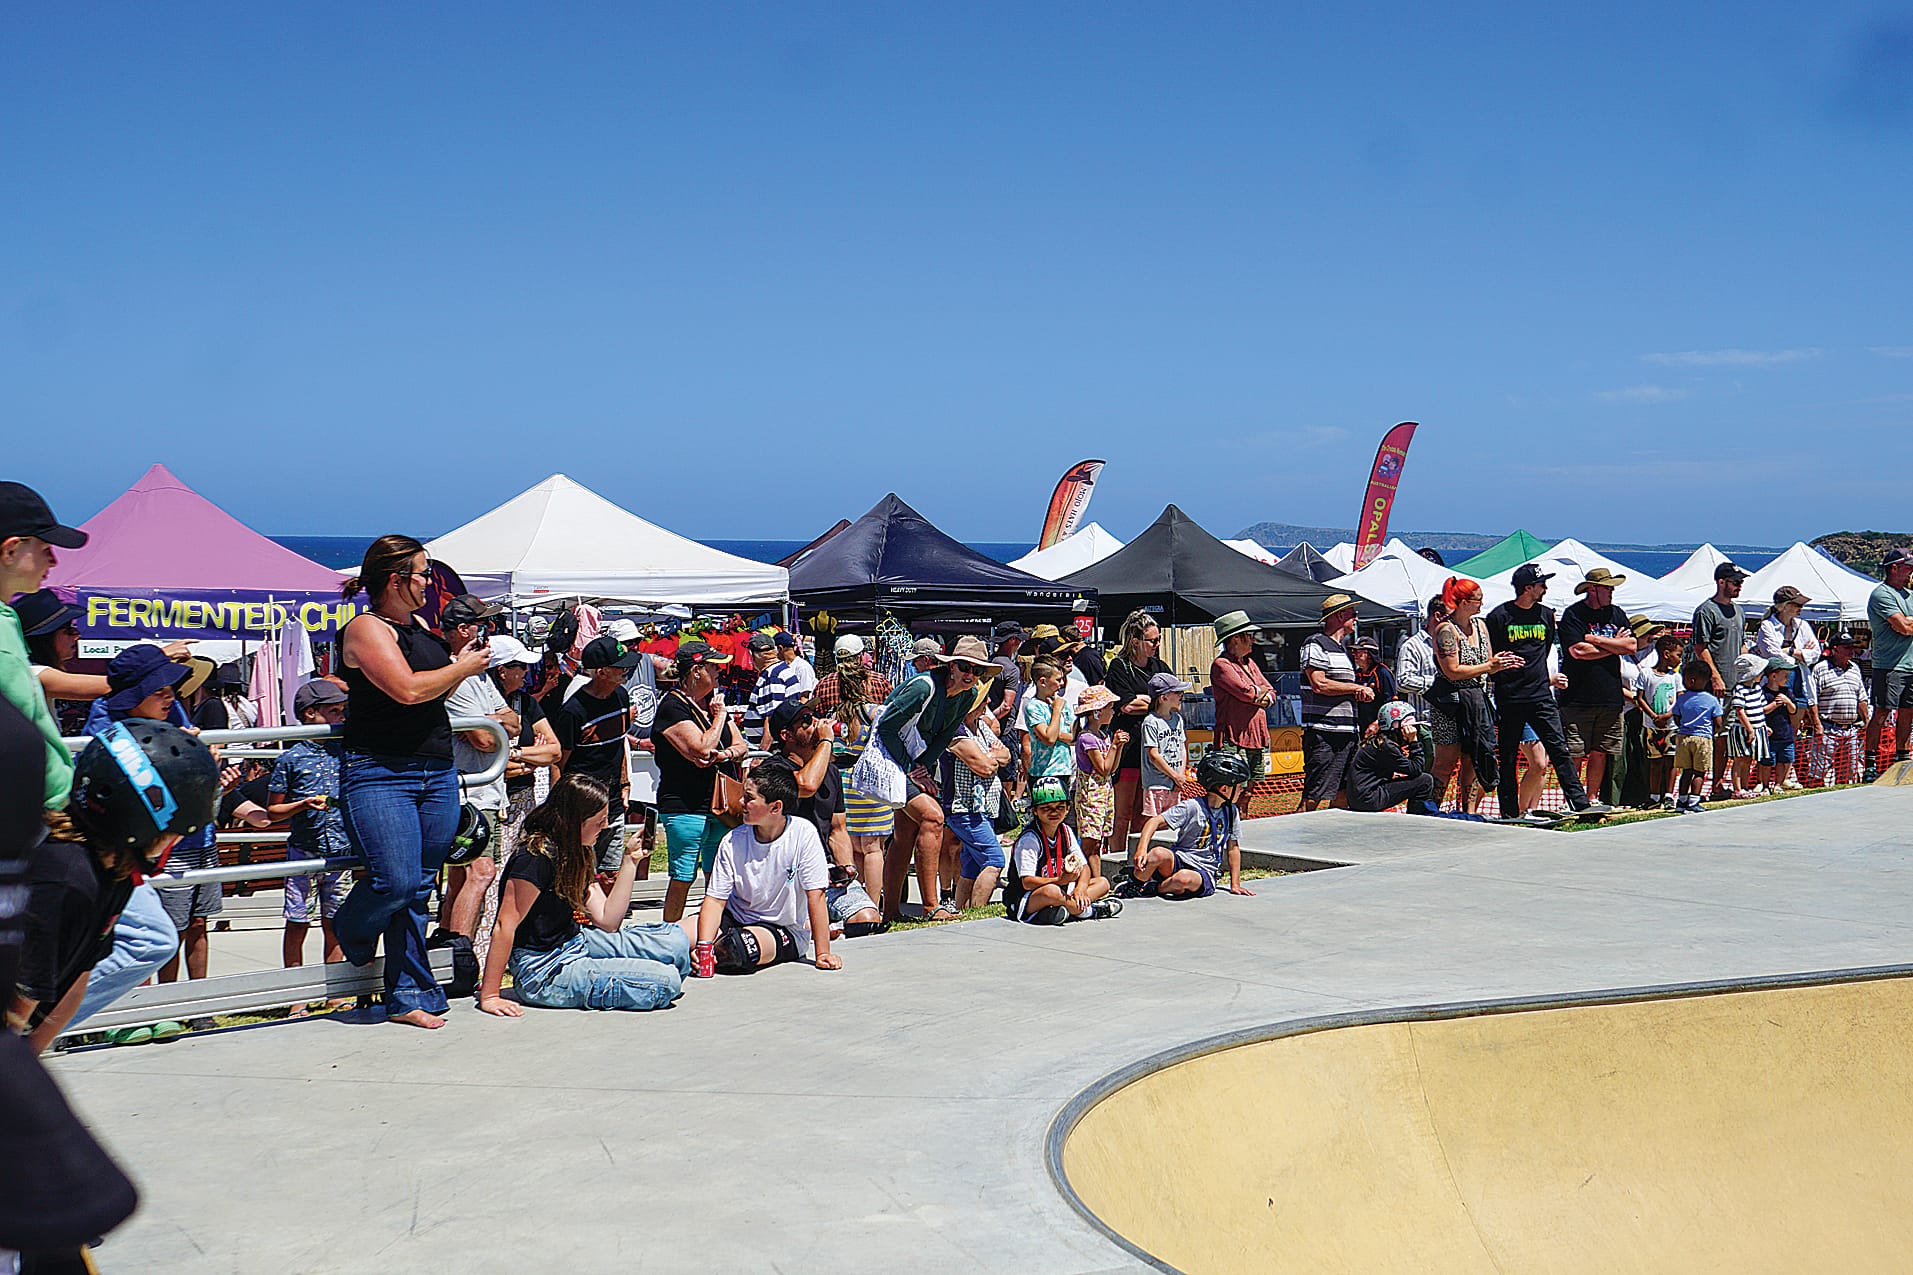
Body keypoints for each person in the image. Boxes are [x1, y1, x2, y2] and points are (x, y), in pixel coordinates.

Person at [334, 534, 490, 1030]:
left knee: (418, 888)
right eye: (424, 573)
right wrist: (461, 666)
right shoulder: (365, 628)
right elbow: (406, 690)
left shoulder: (420, 627)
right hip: (380, 771)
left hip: (435, 768)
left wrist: (460, 664)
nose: (430, 583)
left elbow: (431, 689)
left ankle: (409, 994)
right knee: (396, 882)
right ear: (397, 579)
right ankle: (352, 929)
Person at [11, 720, 218, 1053]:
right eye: (176, 831)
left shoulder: (114, 873)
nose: (176, 840)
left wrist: (30, 1056)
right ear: (143, 822)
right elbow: (20, 999)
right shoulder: (65, 881)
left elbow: (80, 975)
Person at [477, 773, 692, 1015]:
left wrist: (630, 861)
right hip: (543, 969)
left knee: (675, 944)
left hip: (575, 942)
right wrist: (490, 996)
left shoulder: (577, 850)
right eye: (599, 821)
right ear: (575, 821)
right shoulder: (535, 858)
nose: (605, 826)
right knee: (666, 981)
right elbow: (504, 926)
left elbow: (608, 920)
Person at [849, 635, 994, 924]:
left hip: (912, 762)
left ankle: (891, 911)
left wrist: (922, 769)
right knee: (933, 818)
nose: (970, 674)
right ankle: (931, 905)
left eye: (977, 670)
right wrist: (911, 768)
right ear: (951, 666)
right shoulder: (923, 686)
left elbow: (944, 736)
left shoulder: (966, 696)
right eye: (965, 667)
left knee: (905, 834)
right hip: (890, 759)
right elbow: (886, 728)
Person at [692, 760, 841, 975]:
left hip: (782, 930)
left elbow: (815, 896)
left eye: (749, 798)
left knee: (738, 949)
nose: (741, 801)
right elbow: (715, 900)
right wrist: (703, 947)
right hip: (733, 917)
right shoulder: (732, 840)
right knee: (675, 939)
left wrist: (823, 953)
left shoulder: (803, 834)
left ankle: (712, 952)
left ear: (775, 807)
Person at [1486, 564, 1607, 822]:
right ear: (1528, 587)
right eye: (1541, 584)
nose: (1546, 588)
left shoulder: (1545, 615)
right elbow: (1492, 656)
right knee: (1507, 757)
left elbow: (1546, 648)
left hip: (1541, 694)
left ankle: (1580, 803)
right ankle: (1509, 811)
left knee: (1559, 749)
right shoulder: (1499, 616)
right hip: (1510, 697)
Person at [474, 634, 562, 966]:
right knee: (489, 876)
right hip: (491, 801)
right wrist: (527, 759)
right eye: (520, 667)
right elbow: (489, 758)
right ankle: (482, 954)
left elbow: (553, 750)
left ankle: (510, 948)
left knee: (516, 874)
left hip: (523, 800)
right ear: (502, 670)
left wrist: (515, 754)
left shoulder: (526, 703)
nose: (527, 673)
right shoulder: (481, 702)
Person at [0, 481, 87, 811]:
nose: (53, 560)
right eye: (45, 547)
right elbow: (21, 732)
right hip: (35, 812)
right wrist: (62, 802)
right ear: (10, 551)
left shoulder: (7, 620)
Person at [767, 699, 883, 937]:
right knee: (804, 928)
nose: (816, 722)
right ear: (787, 735)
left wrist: (846, 869)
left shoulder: (831, 772)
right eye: (806, 720)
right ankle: (817, 928)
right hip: (784, 876)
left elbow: (837, 830)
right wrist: (826, 741)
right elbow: (806, 785)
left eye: (814, 715)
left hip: (823, 872)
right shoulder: (774, 769)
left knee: (867, 918)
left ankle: (826, 926)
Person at [440, 593, 518, 939]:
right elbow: (486, 739)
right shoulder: (454, 675)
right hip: (470, 794)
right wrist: (495, 722)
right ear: (463, 630)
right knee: (481, 872)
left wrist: (493, 721)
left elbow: (514, 723)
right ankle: (460, 951)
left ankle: (448, 943)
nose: (490, 631)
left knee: (461, 875)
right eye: (484, 624)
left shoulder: (480, 676)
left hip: (485, 791)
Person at [652, 640, 748, 923]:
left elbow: (741, 746)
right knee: (683, 876)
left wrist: (724, 755)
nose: (720, 672)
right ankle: (669, 932)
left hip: (720, 806)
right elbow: (702, 749)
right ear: (696, 671)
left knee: (718, 876)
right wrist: (719, 718)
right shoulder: (673, 706)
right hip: (685, 805)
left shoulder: (711, 703)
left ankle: (712, 931)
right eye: (713, 667)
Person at [264, 679, 351, 981]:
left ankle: (335, 989)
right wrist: (302, 805)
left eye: (342, 710)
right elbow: (273, 811)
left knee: (336, 921)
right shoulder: (291, 758)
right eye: (334, 711)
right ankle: (296, 991)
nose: (342, 717)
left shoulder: (344, 751)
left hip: (340, 851)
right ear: (310, 713)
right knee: (298, 921)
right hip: (303, 851)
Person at [551, 634, 641, 884]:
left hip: (613, 800)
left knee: (611, 874)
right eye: (619, 667)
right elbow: (559, 763)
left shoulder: (621, 696)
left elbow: (619, 743)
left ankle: (606, 911)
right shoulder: (573, 711)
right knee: (580, 874)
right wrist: (559, 807)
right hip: (583, 805)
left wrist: (625, 784)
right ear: (601, 672)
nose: (626, 671)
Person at [1125, 751, 1256, 900]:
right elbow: (1154, 821)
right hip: (1179, 859)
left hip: (1204, 871)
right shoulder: (1192, 807)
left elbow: (1233, 848)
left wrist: (1235, 884)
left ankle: (1154, 888)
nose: (1242, 790)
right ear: (1224, 789)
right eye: (1239, 786)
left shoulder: (1231, 812)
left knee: (1183, 878)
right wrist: (1141, 850)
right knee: (1157, 853)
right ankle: (1132, 885)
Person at [1557, 567, 1638, 802]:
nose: (1611, 593)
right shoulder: (1574, 615)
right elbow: (1578, 651)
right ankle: (1573, 800)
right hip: (1577, 697)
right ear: (1592, 590)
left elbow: (1631, 646)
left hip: (1610, 697)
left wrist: (1596, 640)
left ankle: (1592, 798)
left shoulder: (1617, 613)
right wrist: (1614, 645)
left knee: (1601, 752)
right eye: (1607, 588)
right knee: (1575, 752)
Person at [1429, 578, 1506, 816]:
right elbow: (1452, 670)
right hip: (1450, 703)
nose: (1482, 604)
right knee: (1446, 760)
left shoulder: (1481, 626)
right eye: (1477, 600)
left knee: (1474, 757)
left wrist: (1496, 664)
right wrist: (1488, 667)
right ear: (1463, 603)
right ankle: (1430, 809)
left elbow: (1489, 662)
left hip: (1476, 700)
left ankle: (1469, 811)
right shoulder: (1445, 630)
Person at [1003, 777, 1119, 924]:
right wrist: (1059, 880)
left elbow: (1084, 867)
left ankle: (1059, 911)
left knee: (1102, 883)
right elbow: (1027, 882)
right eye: (1046, 808)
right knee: (1051, 891)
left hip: (1062, 889)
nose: (1054, 812)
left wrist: (1081, 889)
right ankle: (1088, 911)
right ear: (1035, 811)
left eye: (1060, 807)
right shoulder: (1030, 839)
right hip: (1028, 897)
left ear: (1068, 808)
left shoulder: (1066, 831)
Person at [1104, 610, 1171, 856]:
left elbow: (1173, 700)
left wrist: (1145, 700)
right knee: (1122, 813)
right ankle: (1116, 858)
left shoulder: (1160, 667)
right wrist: (1156, 703)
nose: (1157, 644)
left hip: (1153, 749)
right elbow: (1127, 706)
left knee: (1144, 813)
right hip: (1129, 748)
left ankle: (1137, 859)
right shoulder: (1120, 667)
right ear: (1135, 641)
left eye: (1159, 639)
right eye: (1152, 640)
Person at [1300, 595, 1370, 811]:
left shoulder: (1342, 649)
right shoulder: (1315, 643)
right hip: (1325, 733)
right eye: (1353, 614)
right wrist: (1356, 688)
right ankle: (1299, 830)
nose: (1356, 619)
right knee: (1314, 795)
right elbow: (1319, 683)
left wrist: (1356, 692)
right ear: (1340, 616)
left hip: (1347, 733)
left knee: (1343, 794)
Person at [946, 691, 1011, 911]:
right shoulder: (955, 730)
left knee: (972, 865)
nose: (989, 701)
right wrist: (992, 757)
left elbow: (1006, 755)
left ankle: (963, 910)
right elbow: (985, 768)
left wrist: (990, 757)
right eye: (984, 698)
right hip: (964, 809)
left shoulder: (981, 727)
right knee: (995, 859)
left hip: (986, 808)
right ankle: (978, 910)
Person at [1692, 561, 1750, 797]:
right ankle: (1696, 787)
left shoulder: (1739, 612)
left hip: (1735, 685)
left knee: (1725, 738)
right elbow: (1700, 647)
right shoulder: (1706, 611)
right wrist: (1715, 677)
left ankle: (1717, 785)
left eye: (1741, 582)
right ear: (1721, 582)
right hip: (1712, 686)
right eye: (1736, 582)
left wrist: (1747, 671)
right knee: (1707, 736)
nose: (1739, 586)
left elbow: (1742, 644)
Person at [1863, 547, 1913, 780]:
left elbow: (1906, 625)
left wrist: (1907, 621)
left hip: (1909, 665)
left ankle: (1902, 760)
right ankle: (1870, 764)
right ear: (1894, 568)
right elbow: (1903, 628)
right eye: (1908, 567)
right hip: (1889, 665)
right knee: (1882, 713)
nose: (1911, 571)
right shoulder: (1881, 595)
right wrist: (1905, 623)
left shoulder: (1909, 595)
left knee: (1908, 713)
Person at [1209, 610, 1274, 786]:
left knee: (1251, 788)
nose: (1253, 640)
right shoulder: (1221, 665)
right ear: (1236, 638)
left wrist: (1258, 694)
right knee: (1233, 788)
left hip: (1256, 737)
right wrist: (1258, 693)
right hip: (1233, 738)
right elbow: (1246, 693)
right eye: (1249, 635)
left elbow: (1272, 693)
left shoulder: (1250, 663)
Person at [1348, 702, 1439, 814]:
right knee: (1425, 781)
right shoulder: (1387, 747)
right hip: (1369, 798)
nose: (1413, 731)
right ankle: (1416, 817)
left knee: (1423, 779)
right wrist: (1414, 741)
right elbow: (1416, 769)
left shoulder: (1379, 742)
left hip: (1361, 797)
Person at [1806, 630, 1871, 786]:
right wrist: (1817, 724)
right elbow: (1812, 700)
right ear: (1835, 649)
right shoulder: (1821, 669)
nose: (1851, 650)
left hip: (1851, 731)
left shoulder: (1855, 668)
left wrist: (1867, 721)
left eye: (1852, 647)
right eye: (1847, 647)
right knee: (1818, 774)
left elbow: (1861, 698)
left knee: (1848, 776)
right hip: (1827, 729)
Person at [1071, 685, 1122, 875]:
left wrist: (1118, 747)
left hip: (1103, 794)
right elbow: (1103, 768)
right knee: (1090, 842)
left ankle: (1096, 879)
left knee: (1098, 841)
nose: (1113, 712)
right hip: (1091, 796)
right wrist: (1115, 746)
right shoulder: (1087, 738)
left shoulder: (1102, 736)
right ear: (1097, 712)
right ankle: (1091, 878)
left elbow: (1111, 769)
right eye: (1110, 708)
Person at [1392, 600, 1448, 768]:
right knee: (1429, 772)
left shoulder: (1452, 643)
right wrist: (1438, 684)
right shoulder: (1413, 646)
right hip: (1426, 723)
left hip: (1451, 722)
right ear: (1437, 616)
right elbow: (1402, 681)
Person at [1638, 632, 1687, 810]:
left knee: (1671, 761)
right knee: (1655, 762)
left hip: (1671, 726)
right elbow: (1640, 698)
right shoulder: (1646, 674)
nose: (1679, 659)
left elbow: (1680, 699)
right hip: (1651, 726)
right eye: (1678, 655)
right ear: (1666, 654)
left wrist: (1667, 716)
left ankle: (1668, 795)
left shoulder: (1675, 677)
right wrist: (1654, 716)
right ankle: (1654, 796)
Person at [1019, 655, 1077, 796]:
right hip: (1044, 773)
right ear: (1042, 682)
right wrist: (1056, 711)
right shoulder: (1034, 707)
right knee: (1048, 810)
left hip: (1064, 770)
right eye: (1058, 680)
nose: (1061, 683)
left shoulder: (1062, 704)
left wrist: (1054, 733)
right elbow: (1049, 739)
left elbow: (1075, 738)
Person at [1671, 660, 1724, 812]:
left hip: (1683, 737)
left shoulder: (1682, 699)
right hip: (1703, 738)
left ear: (1691, 680)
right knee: (1699, 772)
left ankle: (1681, 801)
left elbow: (1676, 717)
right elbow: (1718, 721)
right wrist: (1712, 732)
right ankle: (1694, 801)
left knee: (1686, 771)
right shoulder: (1711, 700)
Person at [1139, 672, 1193, 817]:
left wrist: (1180, 776)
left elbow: (1182, 748)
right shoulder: (1151, 722)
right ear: (1163, 698)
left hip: (1175, 783)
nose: (1181, 695)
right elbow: (1154, 755)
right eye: (1177, 692)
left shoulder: (1178, 719)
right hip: (1156, 784)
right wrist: (1174, 776)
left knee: (1173, 822)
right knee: (1155, 821)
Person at [1759, 655, 1800, 793]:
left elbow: (1793, 710)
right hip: (1770, 735)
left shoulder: (1787, 691)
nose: (1787, 678)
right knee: (1768, 762)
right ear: (1773, 676)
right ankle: (1765, 785)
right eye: (1785, 675)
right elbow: (1762, 710)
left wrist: (1787, 702)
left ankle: (1779, 784)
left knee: (1785, 760)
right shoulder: (1763, 692)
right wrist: (1775, 704)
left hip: (1785, 733)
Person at [1349, 635, 1397, 735]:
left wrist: (1377, 723)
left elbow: (1391, 703)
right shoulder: (1356, 674)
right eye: (1353, 651)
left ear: (1369, 654)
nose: (1354, 654)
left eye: (1358, 651)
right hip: (1360, 726)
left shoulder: (1382, 672)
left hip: (1378, 729)